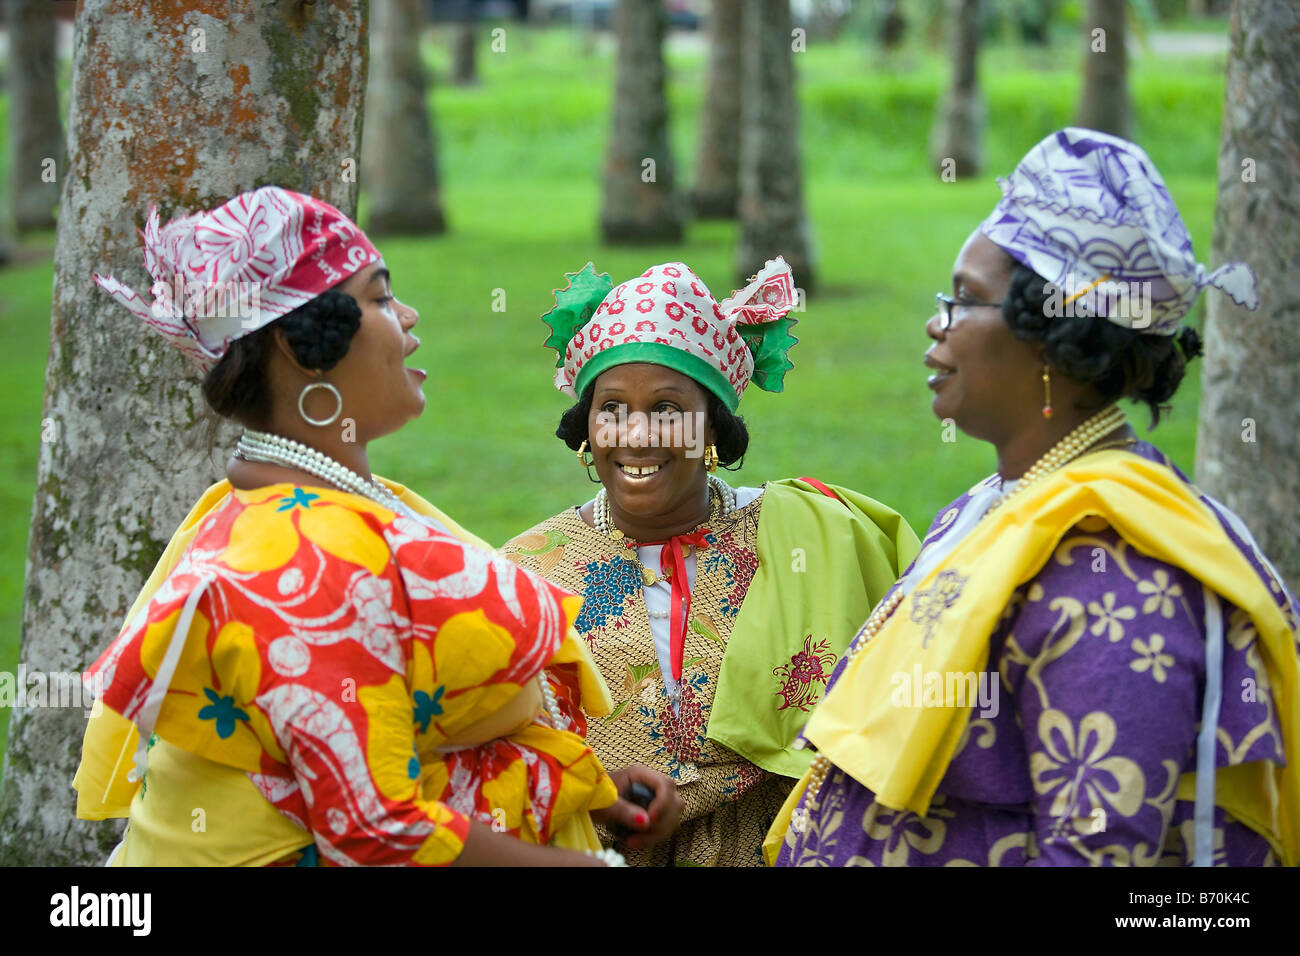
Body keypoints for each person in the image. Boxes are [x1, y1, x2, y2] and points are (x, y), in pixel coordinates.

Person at [73, 186, 680, 866]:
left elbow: (406, 722)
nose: (410, 317)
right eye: (381, 298)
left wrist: (587, 793)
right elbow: (371, 827)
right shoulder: (304, 552)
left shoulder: (314, 507)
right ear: (307, 350)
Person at [767, 128, 1300, 867]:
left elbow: (1098, 853)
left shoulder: (1116, 570)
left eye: (964, 300)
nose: (936, 323)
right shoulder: (995, 505)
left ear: (1052, 342)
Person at [503, 258, 920, 865]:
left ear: (713, 430)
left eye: (668, 408)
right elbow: (486, 766)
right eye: (611, 407)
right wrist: (591, 792)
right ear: (587, 427)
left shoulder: (817, 535)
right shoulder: (526, 576)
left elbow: (892, 722)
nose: (636, 433)